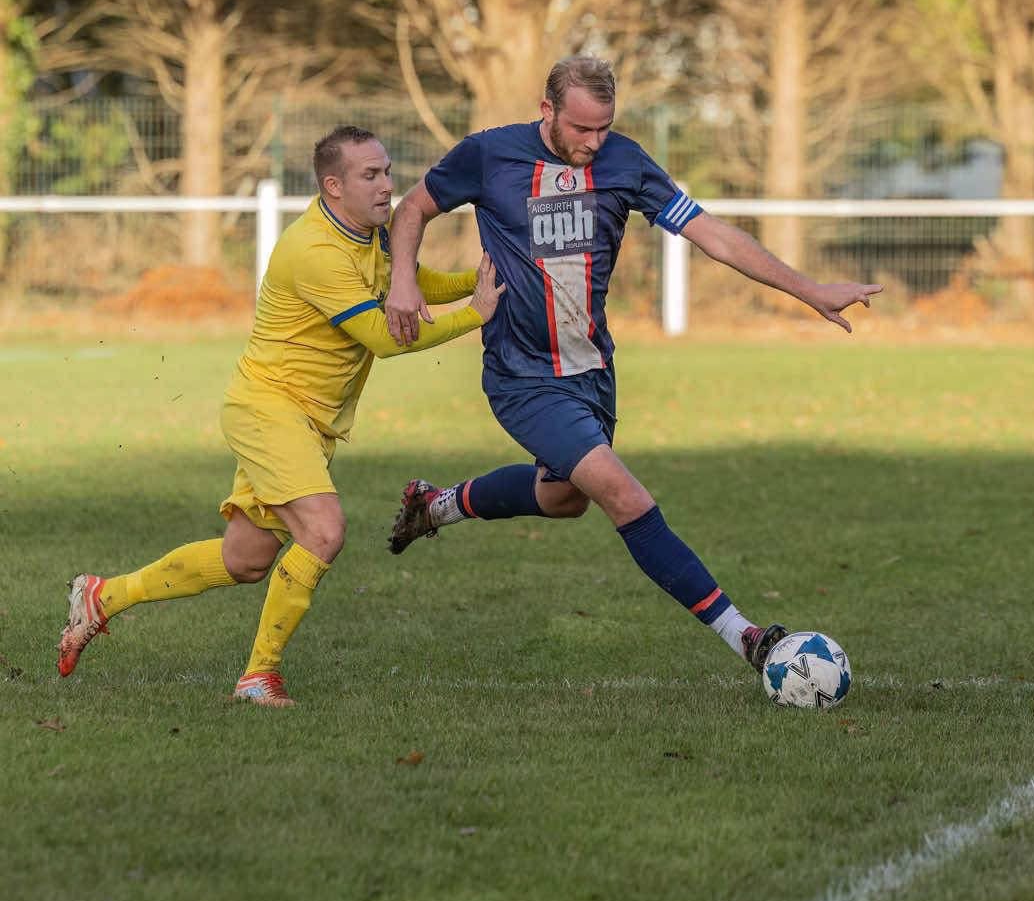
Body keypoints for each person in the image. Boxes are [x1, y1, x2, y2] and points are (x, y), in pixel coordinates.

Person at [383, 56, 882, 673]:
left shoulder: (626, 161)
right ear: (548, 112)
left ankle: (436, 505)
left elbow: (714, 236)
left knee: (564, 499)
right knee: (625, 495)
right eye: (582, 129)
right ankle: (747, 637)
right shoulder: (489, 155)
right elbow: (412, 209)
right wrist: (402, 278)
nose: (595, 143)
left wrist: (809, 290)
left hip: (593, 372)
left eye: (605, 127)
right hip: (522, 377)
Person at [57, 125, 505, 706]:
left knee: (244, 560)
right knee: (323, 530)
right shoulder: (314, 250)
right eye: (371, 176)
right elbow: (385, 335)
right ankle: (258, 676)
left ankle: (102, 597)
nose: (387, 186)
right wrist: (477, 314)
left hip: (303, 421)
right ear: (333, 185)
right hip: (268, 410)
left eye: (388, 172)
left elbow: (413, 285)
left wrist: (481, 281)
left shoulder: (372, 236)